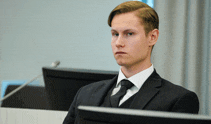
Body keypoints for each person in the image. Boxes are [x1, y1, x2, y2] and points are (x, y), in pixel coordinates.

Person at [63, 1, 199, 124]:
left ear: (152, 37)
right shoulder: (85, 93)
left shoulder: (178, 100)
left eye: (129, 34)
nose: (118, 43)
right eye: (115, 34)